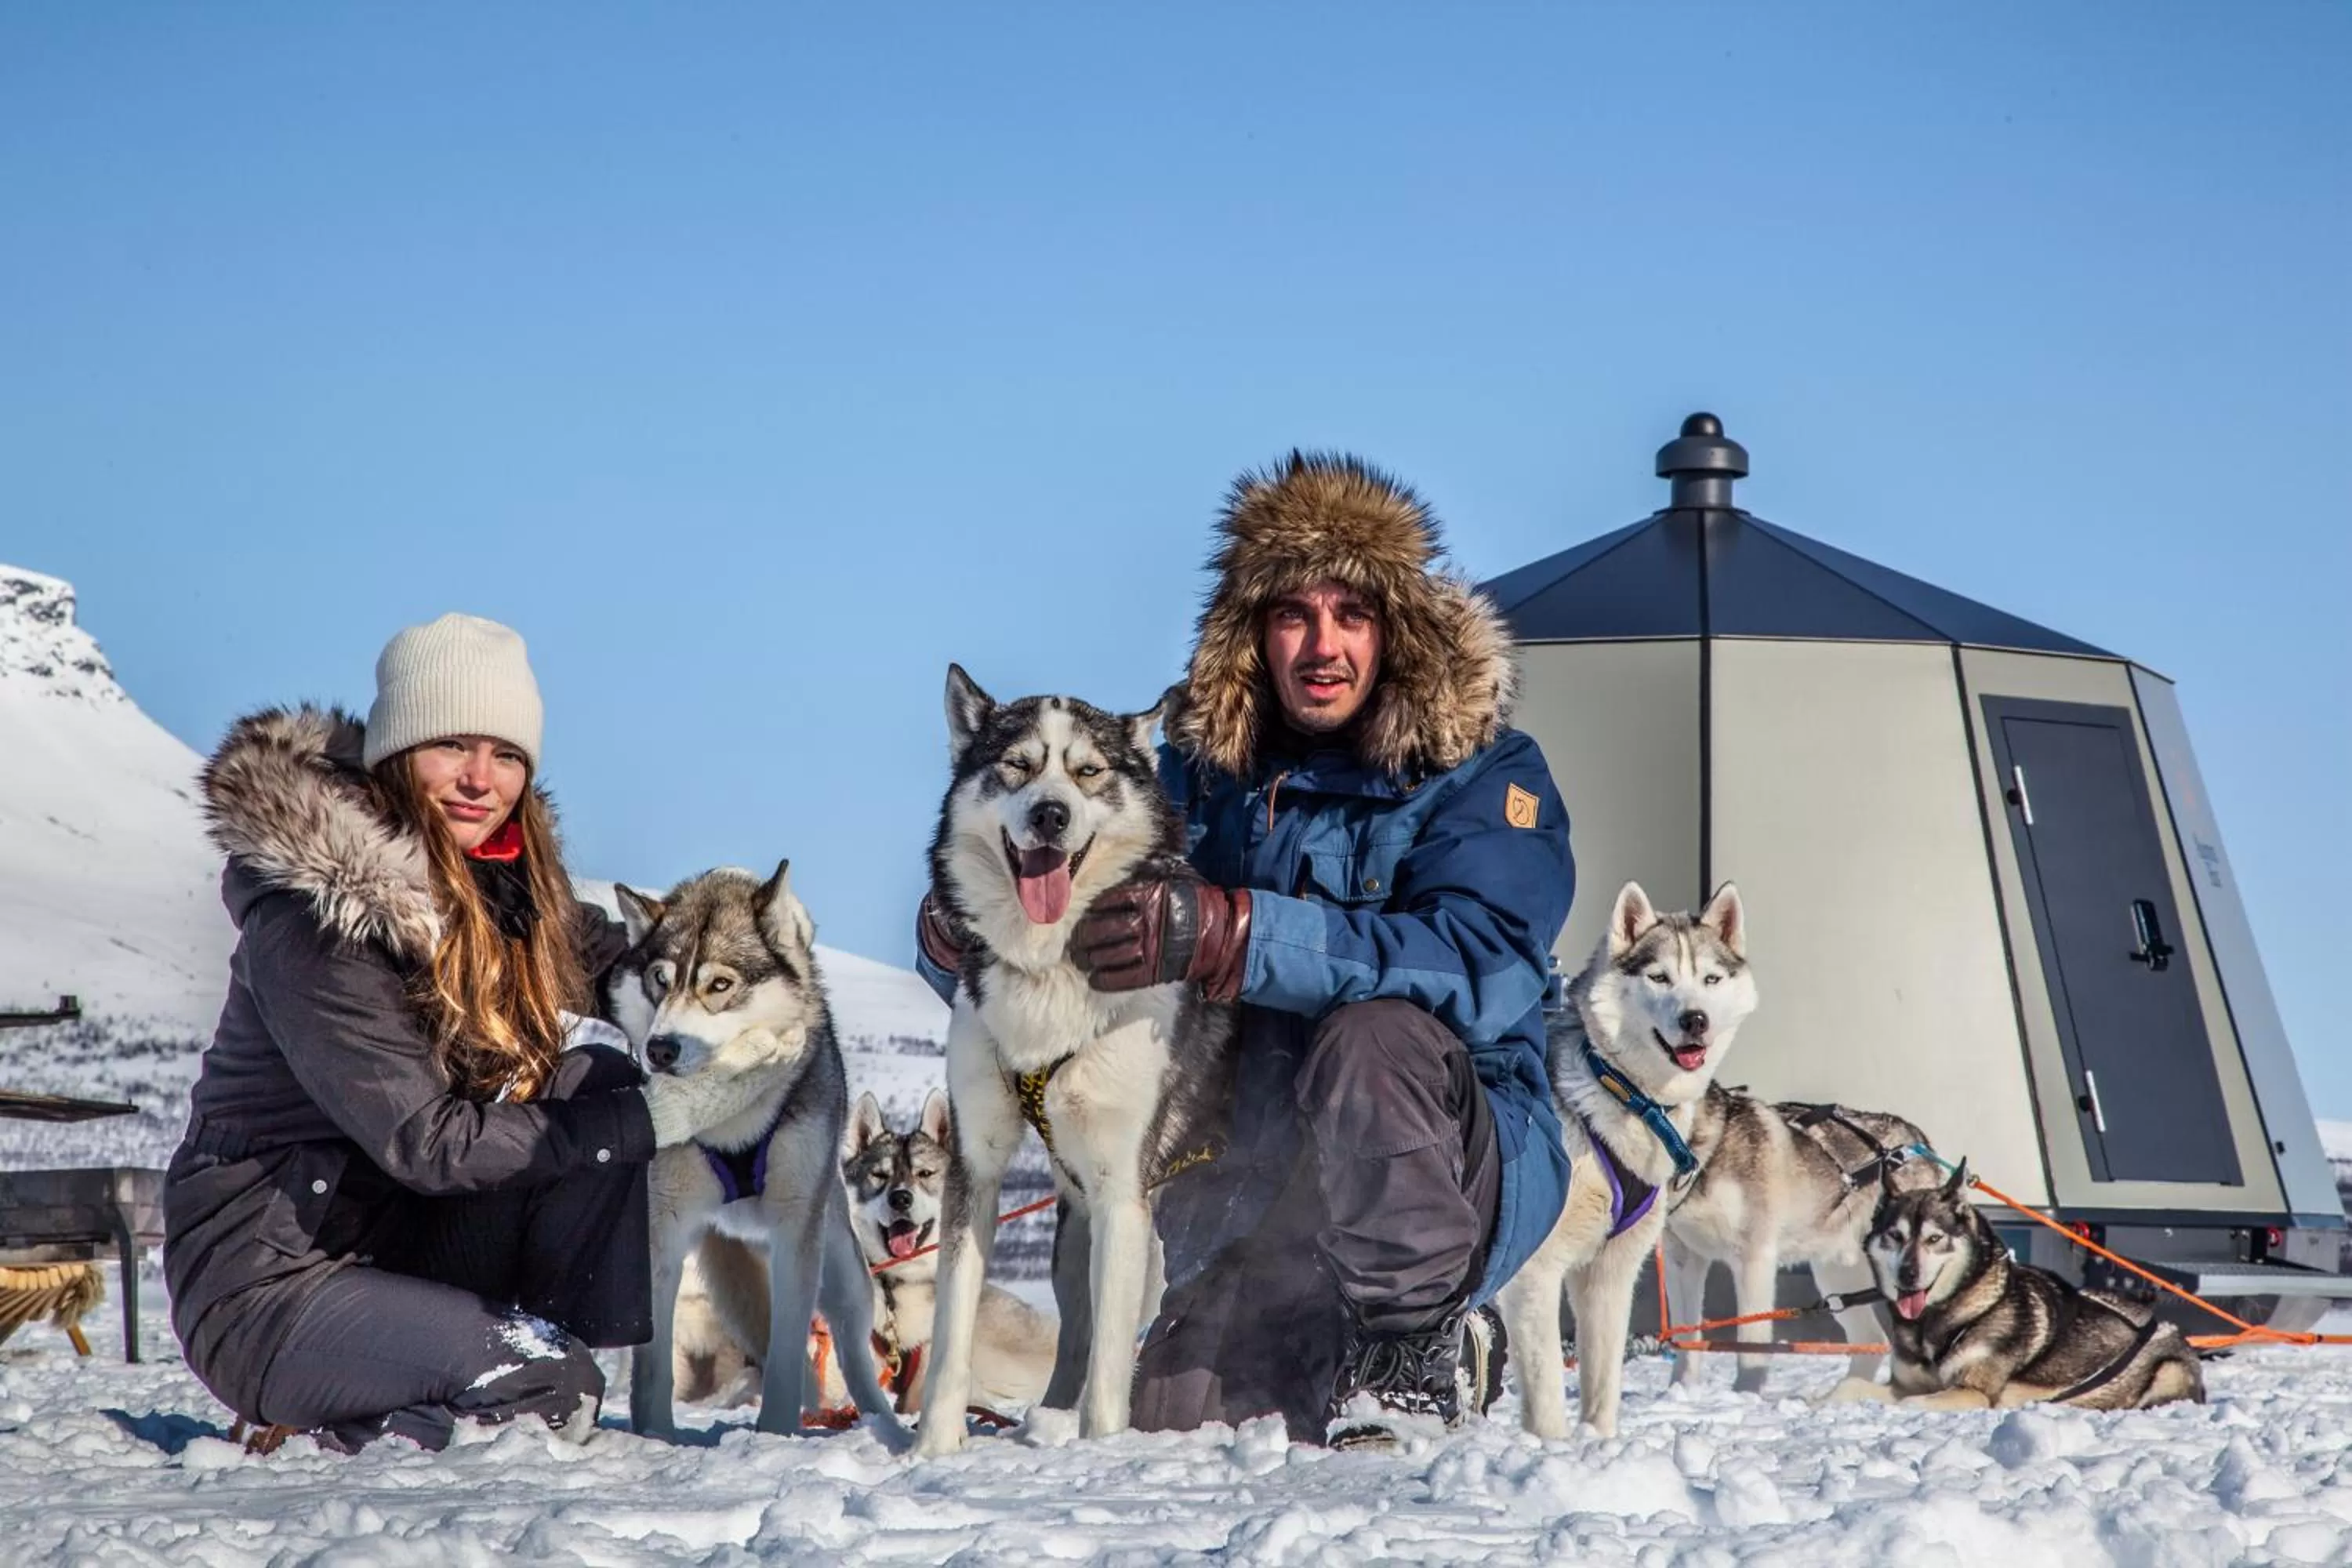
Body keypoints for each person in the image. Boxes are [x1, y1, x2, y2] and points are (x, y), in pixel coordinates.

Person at [919, 453, 1574, 1445]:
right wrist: (957, 941)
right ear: (1253, 634)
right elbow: (1065, 934)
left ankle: (1417, 1337)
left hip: (1449, 1159)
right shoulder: (1199, 775)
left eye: (1353, 614)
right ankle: (1305, 1329)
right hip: (1260, 1186)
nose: (1323, 644)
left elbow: (1485, 961)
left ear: (1396, 629)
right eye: (1293, 615)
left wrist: (1238, 931)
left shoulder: (1482, 772)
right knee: (1172, 1423)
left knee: (1371, 1035)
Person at [164, 613, 768, 1452]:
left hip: (397, 1246)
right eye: (452, 745)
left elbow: (632, 970)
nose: (482, 779)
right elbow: (429, 1142)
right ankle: (343, 1417)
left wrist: (752, 998)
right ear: (397, 752)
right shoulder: (320, 920)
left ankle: (515, 1351)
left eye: (508, 755)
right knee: (547, 1383)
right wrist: (655, 1117)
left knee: (596, 1081)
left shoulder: (503, 893)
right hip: (272, 1283)